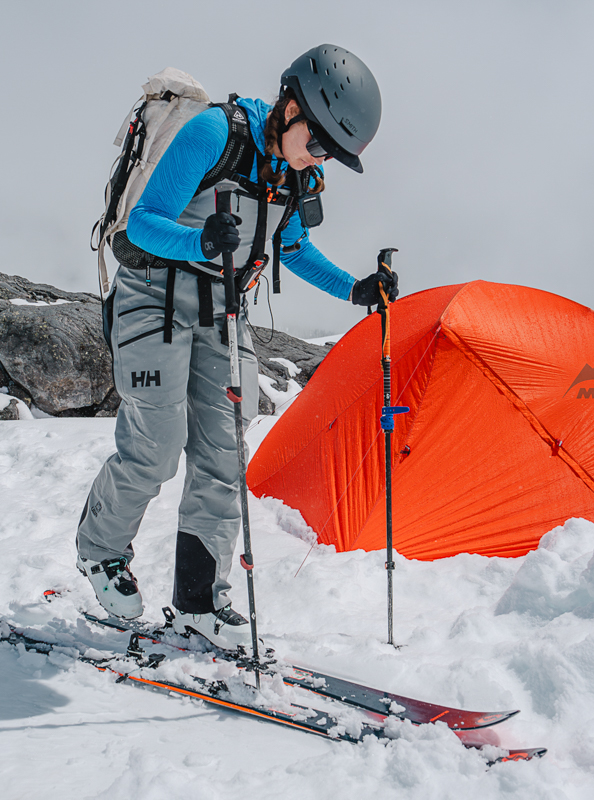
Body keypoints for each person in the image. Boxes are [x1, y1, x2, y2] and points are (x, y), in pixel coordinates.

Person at [76, 44, 398, 649]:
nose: (321, 157)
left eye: (331, 151)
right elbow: (140, 223)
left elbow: (294, 248)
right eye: (321, 142)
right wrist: (200, 242)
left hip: (225, 311)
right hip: (154, 298)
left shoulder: (293, 175)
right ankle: (99, 552)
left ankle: (199, 598)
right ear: (292, 106)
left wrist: (356, 289)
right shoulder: (212, 133)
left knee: (224, 455)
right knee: (157, 444)